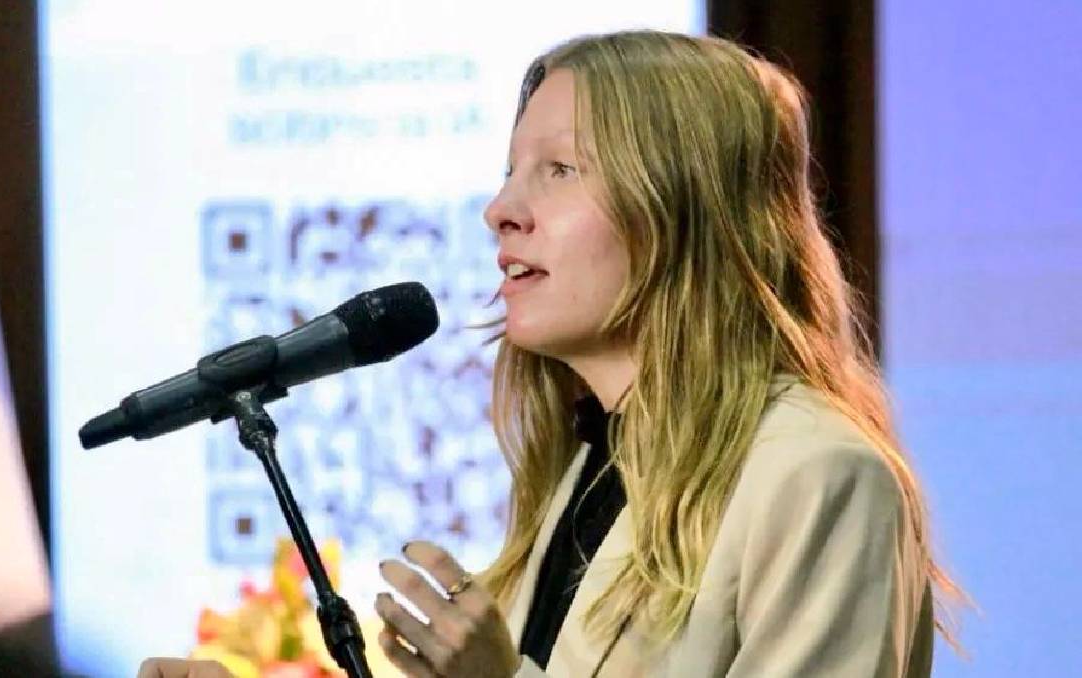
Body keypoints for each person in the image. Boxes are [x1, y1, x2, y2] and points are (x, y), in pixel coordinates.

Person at [146, 29, 961, 678]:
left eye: (560, 170)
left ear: (685, 206)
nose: (501, 209)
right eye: (511, 172)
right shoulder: (590, 463)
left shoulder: (819, 474)